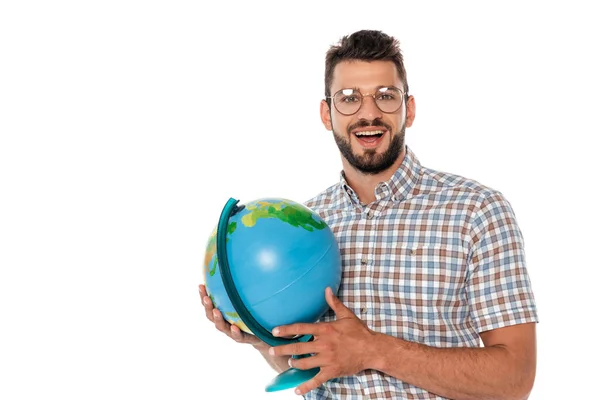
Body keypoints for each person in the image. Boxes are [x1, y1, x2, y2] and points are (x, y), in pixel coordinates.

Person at [199, 29, 538, 399]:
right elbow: (315, 367)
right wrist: (260, 338)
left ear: (409, 109)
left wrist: (373, 350)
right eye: (349, 99)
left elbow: (514, 379)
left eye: (385, 96)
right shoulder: (308, 224)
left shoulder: (477, 211)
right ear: (327, 114)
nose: (369, 113)